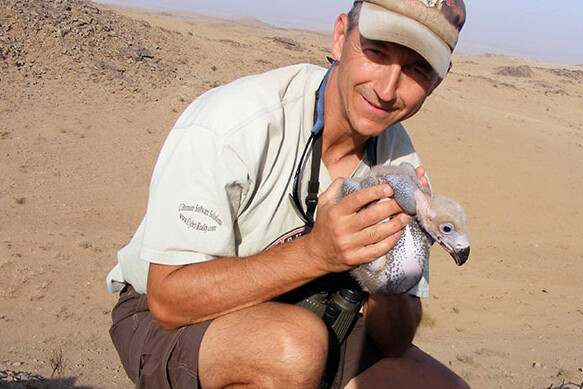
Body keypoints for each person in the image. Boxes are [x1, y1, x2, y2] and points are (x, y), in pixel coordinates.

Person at [106, 0, 470, 388]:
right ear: (339, 36)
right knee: (293, 349)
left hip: (313, 312)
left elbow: (393, 341)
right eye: (376, 51)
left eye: (416, 68)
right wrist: (318, 254)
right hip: (173, 316)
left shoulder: (401, 165)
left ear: (437, 81)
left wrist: (394, 263)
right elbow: (168, 300)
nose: (386, 89)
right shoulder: (235, 123)